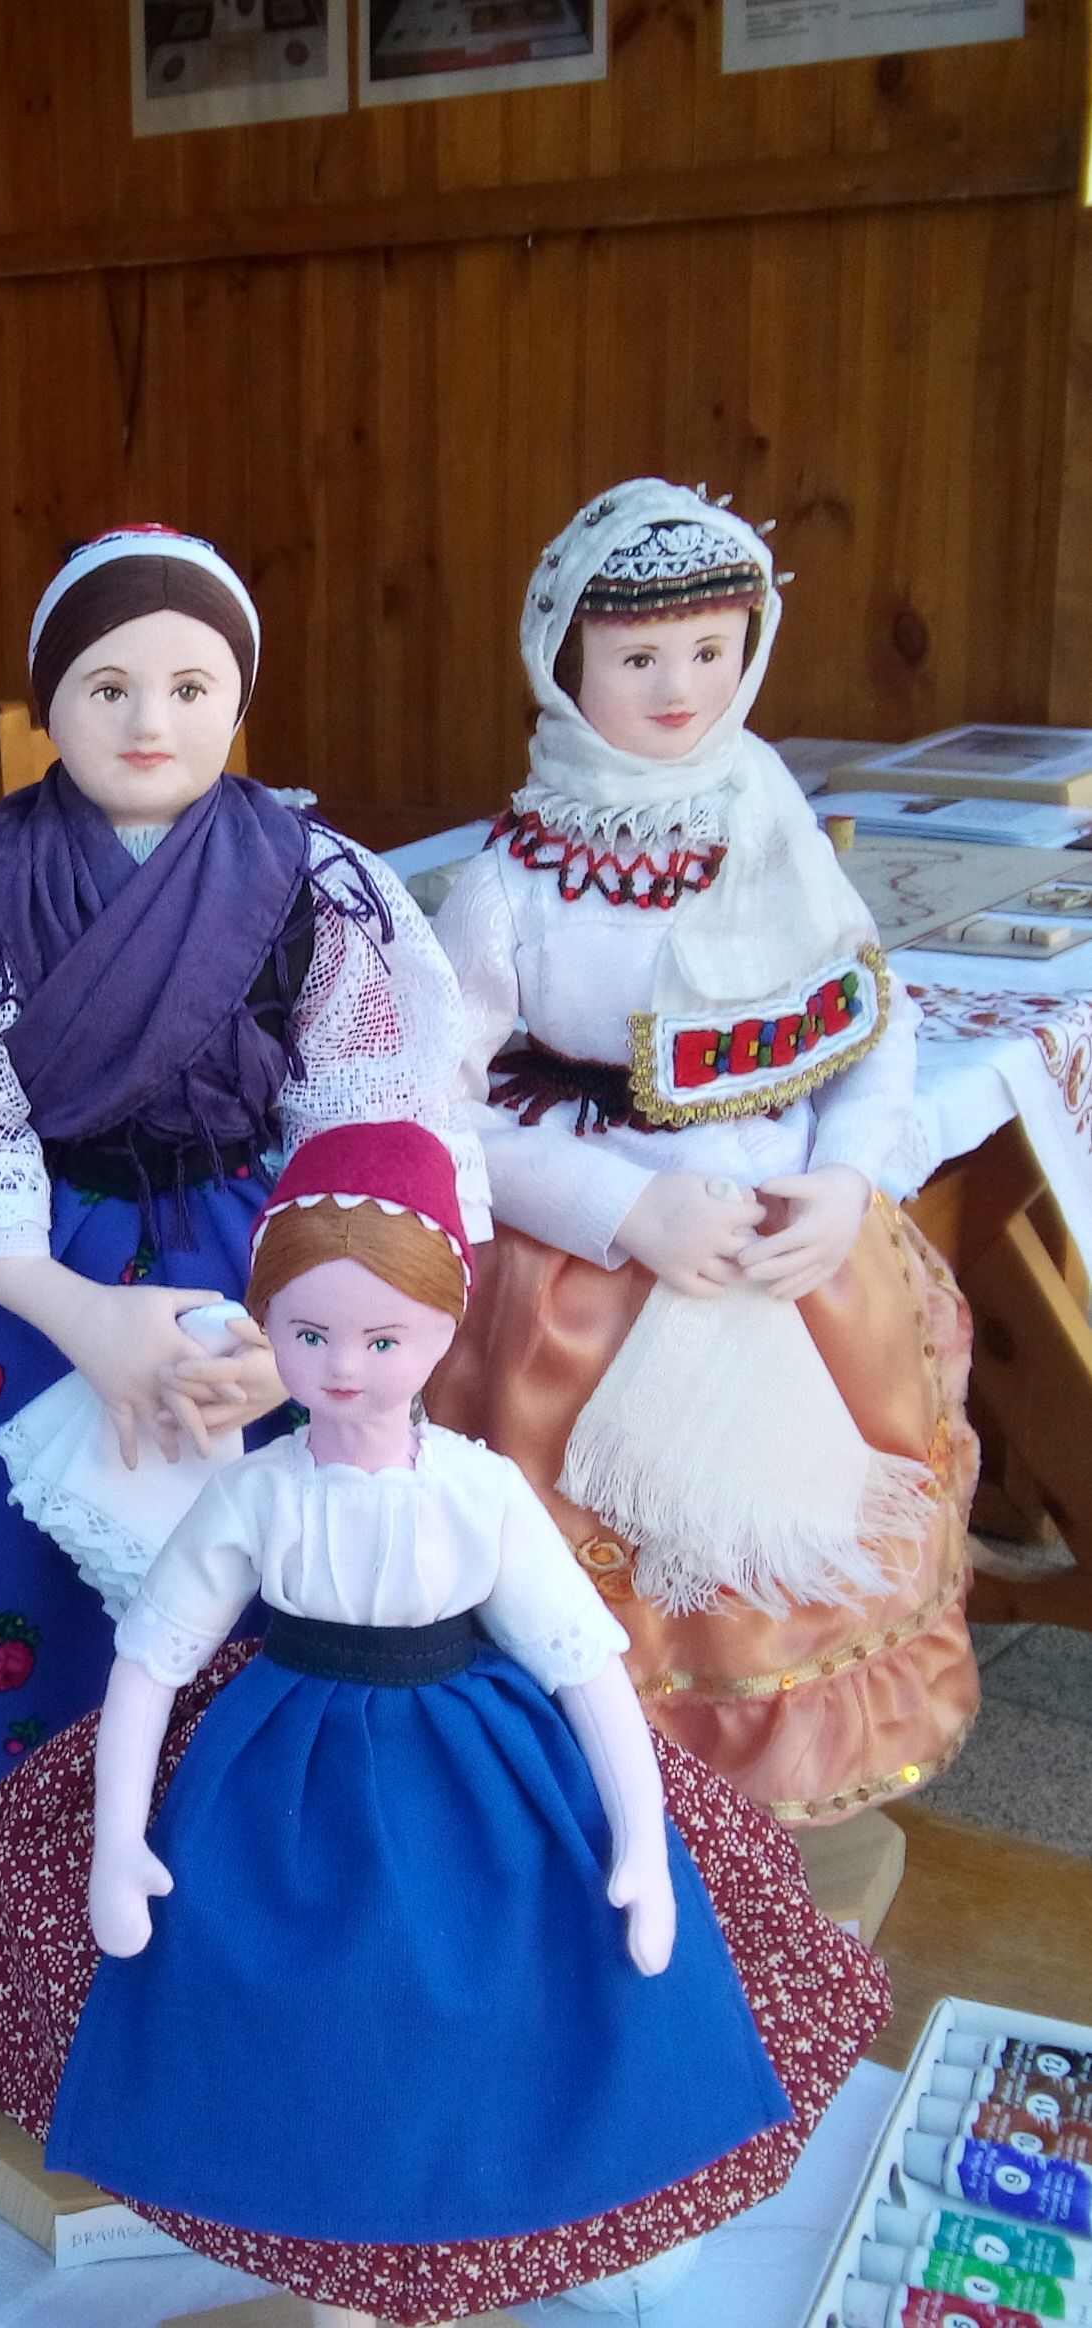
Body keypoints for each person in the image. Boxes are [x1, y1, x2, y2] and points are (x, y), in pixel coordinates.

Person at [0, 1122, 892, 2323]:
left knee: (520, 2001)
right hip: (279, 1774)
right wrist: (119, 1841)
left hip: (478, 1768)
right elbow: (150, 1663)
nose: (343, 1367)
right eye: (309, 1334)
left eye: (383, 1339)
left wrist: (640, 1841)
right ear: (269, 1324)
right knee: (304, 2038)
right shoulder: (256, 1494)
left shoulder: (480, 1492)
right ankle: (337, 2265)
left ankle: (519, 2225)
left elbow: (584, 1668)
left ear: (443, 1328)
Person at [0, 525, 472, 2032]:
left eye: (188, 685)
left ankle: (249, 1969)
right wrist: (81, 1319)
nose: (147, 719)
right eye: (105, 686)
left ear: (240, 700)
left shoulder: (323, 888)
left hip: (266, 1279)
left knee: (274, 1593)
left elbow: (373, 1128)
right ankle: (6, 1976)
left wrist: (298, 1342)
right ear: (49, 702)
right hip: (35, 1281)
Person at [425, 479, 976, 1826]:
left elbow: (871, 1023)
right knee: (620, 1569)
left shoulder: (773, 831)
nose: (678, 688)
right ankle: (622, 1803)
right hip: (588, 1290)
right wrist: (621, 1210)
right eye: (636, 659)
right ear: (565, 664)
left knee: (783, 1557)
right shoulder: (508, 886)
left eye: (709, 651)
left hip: (798, 1263)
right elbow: (431, 1109)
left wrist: (846, 1177)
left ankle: (768, 1813)